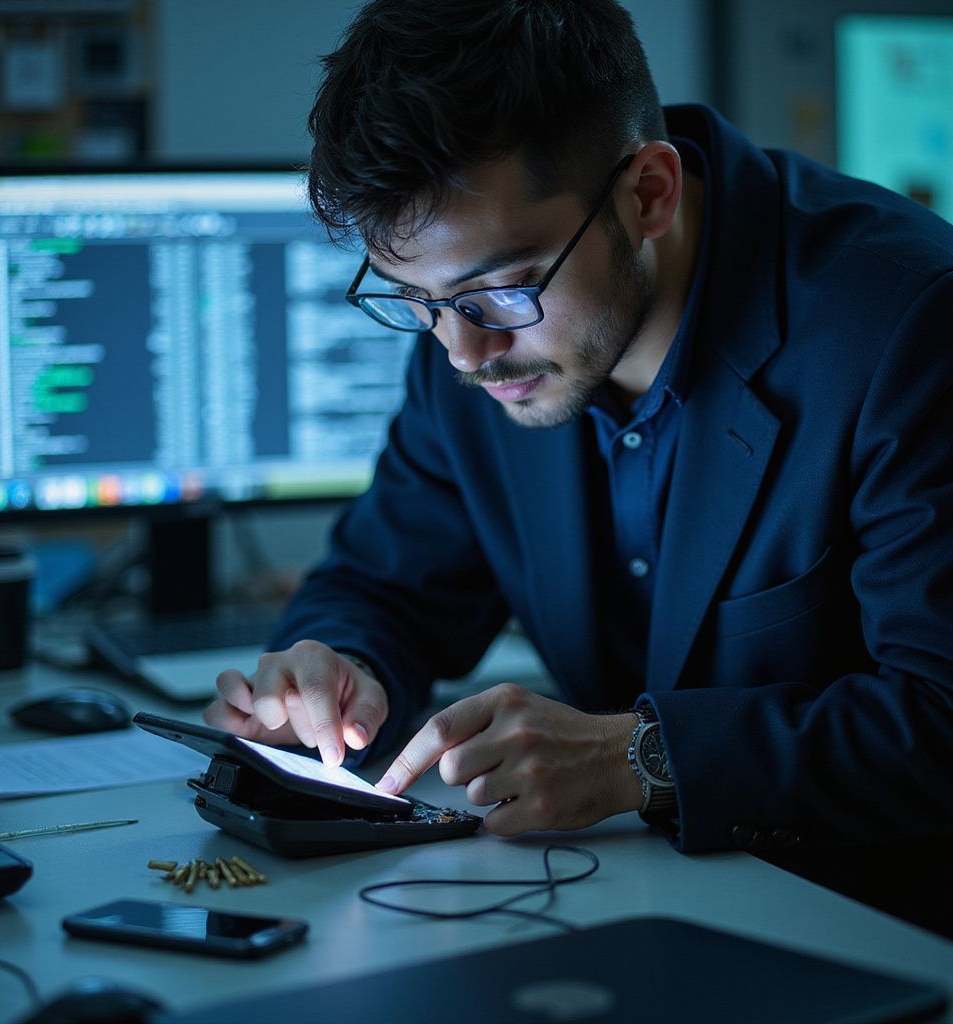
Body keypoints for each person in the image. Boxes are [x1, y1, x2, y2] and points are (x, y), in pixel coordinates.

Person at [205, 0, 953, 925]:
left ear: (649, 193)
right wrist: (337, 671)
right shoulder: (470, 332)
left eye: (503, 291)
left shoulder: (907, 326)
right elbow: (386, 585)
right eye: (412, 299)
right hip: (631, 910)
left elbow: (942, 718)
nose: (462, 355)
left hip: (879, 929)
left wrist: (642, 759)